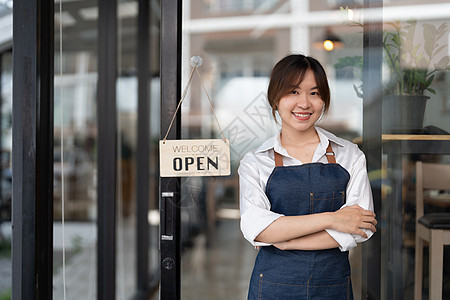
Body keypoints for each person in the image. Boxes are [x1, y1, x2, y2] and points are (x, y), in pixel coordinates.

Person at [238, 54, 377, 300]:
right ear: (275, 98)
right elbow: (258, 229)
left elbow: (360, 228)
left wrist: (286, 240)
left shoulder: (349, 155)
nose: (304, 103)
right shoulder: (256, 161)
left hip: (332, 287)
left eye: (314, 93)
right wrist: (333, 219)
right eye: (293, 92)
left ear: (323, 99)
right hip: (273, 287)